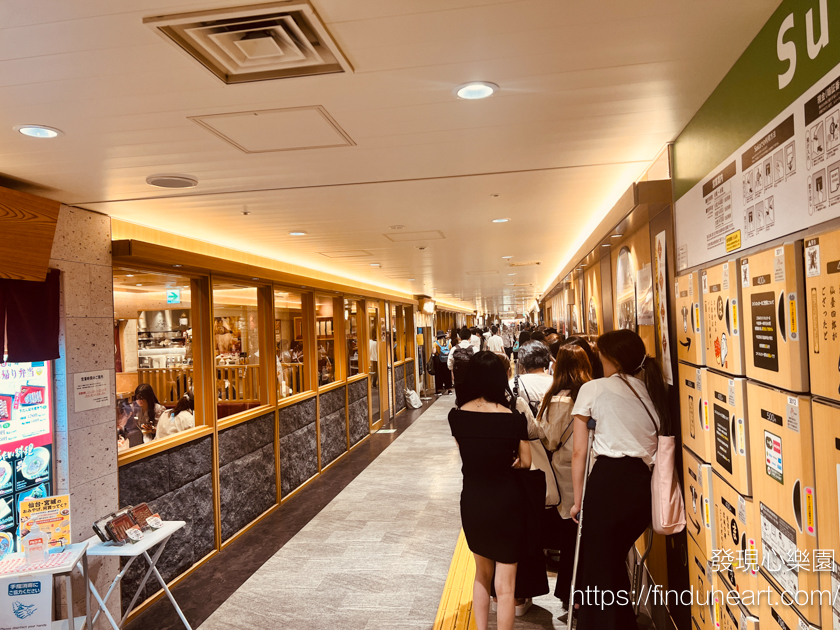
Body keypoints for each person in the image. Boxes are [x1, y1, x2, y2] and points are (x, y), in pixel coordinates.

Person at [570, 329, 665, 629]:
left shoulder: (593, 389)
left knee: (601, 565)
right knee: (611, 561)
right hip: (641, 489)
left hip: (607, 484)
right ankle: (623, 621)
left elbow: (578, 452)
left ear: (610, 358)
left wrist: (577, 501)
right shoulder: (651, 390)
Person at [448, 352, 533, 630]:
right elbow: (527, 462)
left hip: (474, 500)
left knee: (481, 574)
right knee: (506, 585)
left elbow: (468, 454)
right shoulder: (513, 418)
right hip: (507, 502)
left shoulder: (457, 417)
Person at [517, 345, 593, 612]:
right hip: (595, 471)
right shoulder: (593, 392)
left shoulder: (558, 400)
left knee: (571, 536)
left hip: (565, 475)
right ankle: (585, 591)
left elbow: (548, 439)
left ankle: (571, 592)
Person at [511, 341, 553, 418]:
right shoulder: (557, 382)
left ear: (522, 360)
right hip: (552, 428)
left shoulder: (514, 383)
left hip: (524, 428)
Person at [449, 326, 476, 401]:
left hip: (458, 376)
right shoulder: (474, 349)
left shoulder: (454, 349)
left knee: (459, 392)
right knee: (470, 392)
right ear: (470, 337)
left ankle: (460, 405)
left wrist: (452, 372)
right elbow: (479, 363)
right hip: (471, 376)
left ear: (459, 337)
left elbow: (449, 363)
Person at [433, 331, 453, 395]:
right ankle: (449, 389)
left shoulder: (436, 343)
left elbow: (434, 351)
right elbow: (451, 350)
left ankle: (439, 390)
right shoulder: (448, 342)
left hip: (439, 361)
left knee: (439, 375)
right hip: (446, 360)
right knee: (447, 374)